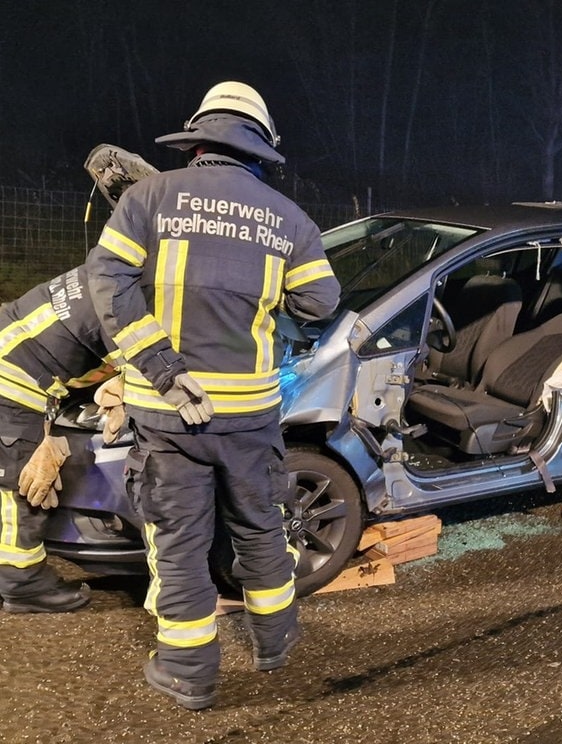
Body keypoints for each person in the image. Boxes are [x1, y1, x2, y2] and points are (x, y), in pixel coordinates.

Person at [86, 81, 341, 710]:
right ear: (260, 149)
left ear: (197, 139)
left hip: (171, 413)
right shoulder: (289, 219)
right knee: (259, 528)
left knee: (179, 545)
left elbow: (107, 278)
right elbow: (323, 302)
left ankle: (189, 672)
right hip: (251, 416)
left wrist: (162, 366)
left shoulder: (148, 198)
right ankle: (275, 643)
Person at [0, 266, 123, 613]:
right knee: (22, 491)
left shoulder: (102, 269)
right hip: (13, 381)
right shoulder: (130, 293)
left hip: (11, 356)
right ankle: (23, 584)